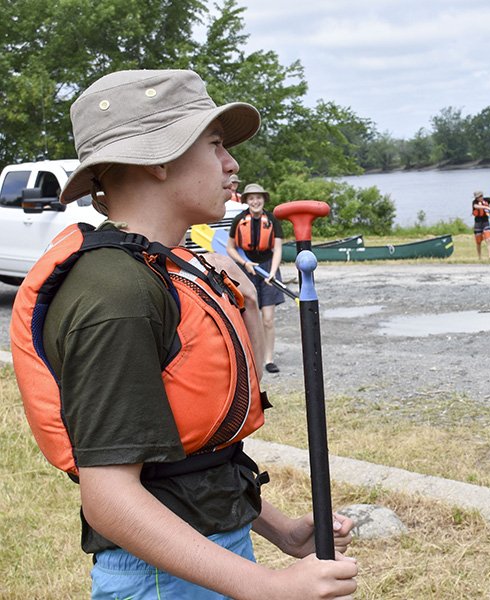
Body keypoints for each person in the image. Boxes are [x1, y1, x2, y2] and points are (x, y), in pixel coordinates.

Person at [10, 69, 357, 599]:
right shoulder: (114, 294)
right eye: (215, 144)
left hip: (206, 555)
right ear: (158, 158)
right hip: (159, 579)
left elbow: (188, 464)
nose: (232, 164)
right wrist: (265, 587)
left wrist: (282, 532)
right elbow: (109, 497)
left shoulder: (164, 268)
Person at [228, 182, 286, 374]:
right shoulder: (239, 220)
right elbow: (230, 248)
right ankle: (253, 356)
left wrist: (272, 272)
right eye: (251, 198)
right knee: (250, 317)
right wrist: (244, 263)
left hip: (268, 268)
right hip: (247, 268)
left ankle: (269, 359)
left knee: (268, 319)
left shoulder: (271, 220)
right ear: (246, 201)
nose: (255, 201)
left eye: (258, 197)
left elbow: (277, 248)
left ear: (263, 199)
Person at [472, 190, 490, 259]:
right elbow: (476, 206)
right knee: (478, 241)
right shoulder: (474, 202)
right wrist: (487, 207)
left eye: (481, 196)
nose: (480, 198)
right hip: (478, 223)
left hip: (485, 222)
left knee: (488, 239)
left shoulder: (487, 200)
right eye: (478, 197)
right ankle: (479, 257)